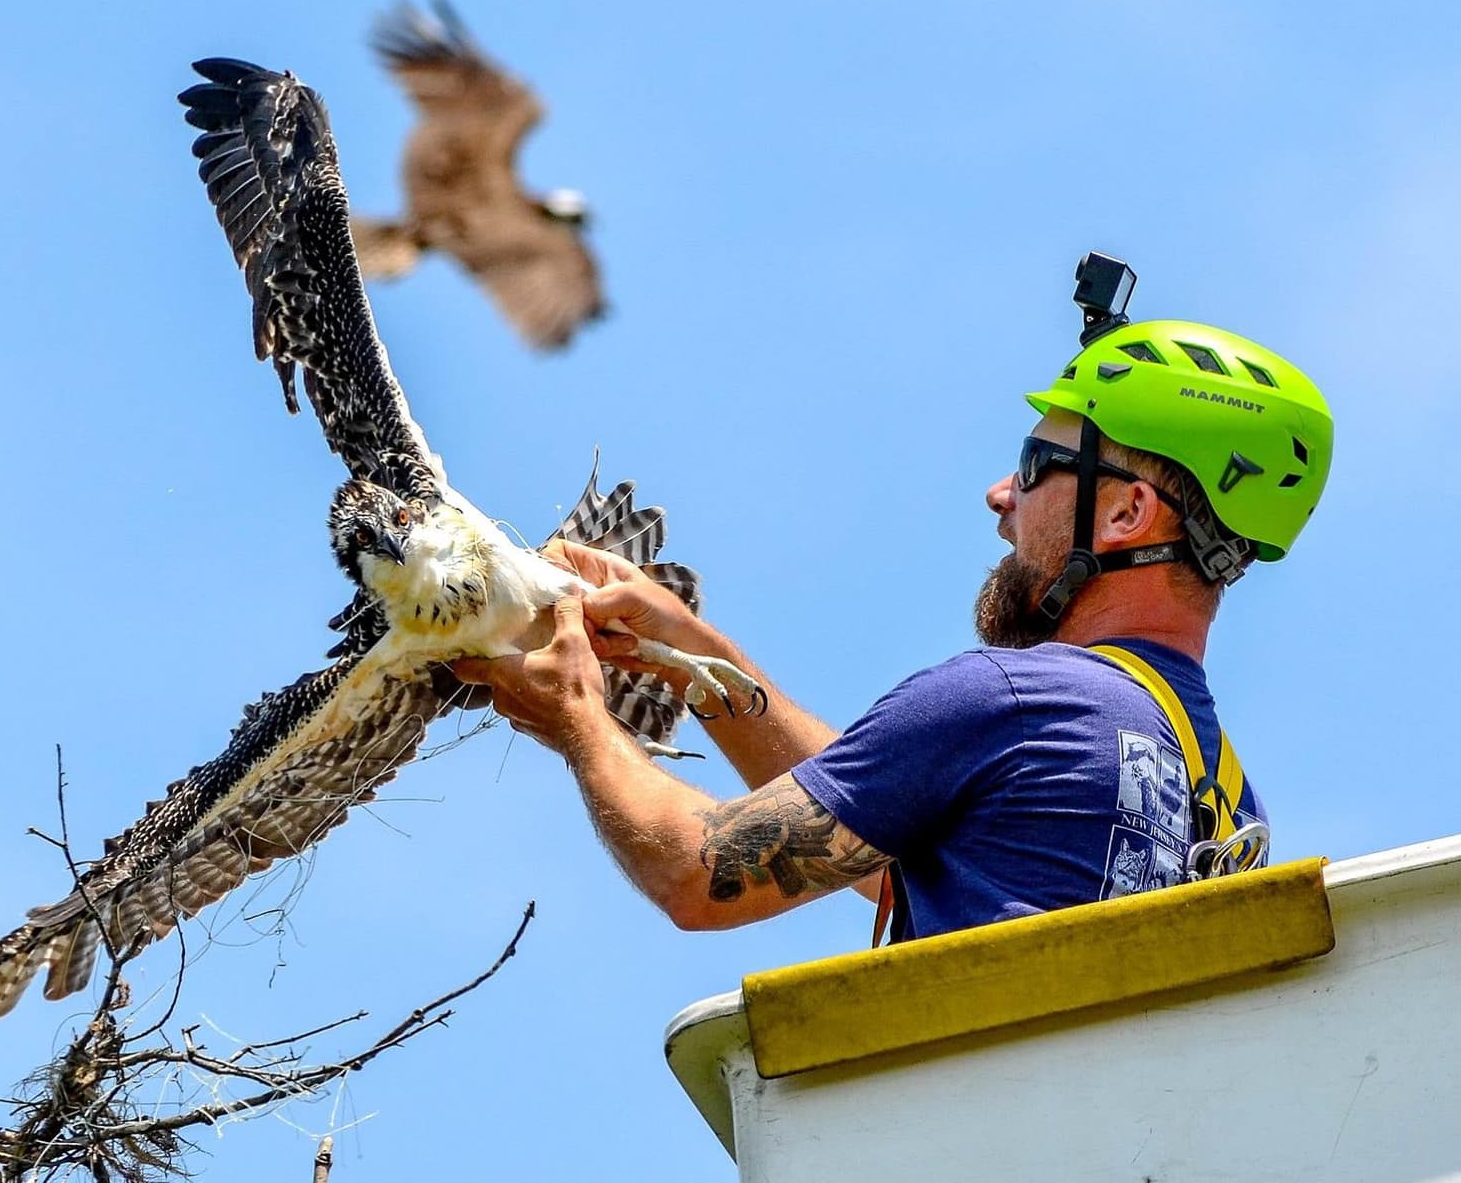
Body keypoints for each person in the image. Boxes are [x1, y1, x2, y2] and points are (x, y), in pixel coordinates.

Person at [453, 259, 1334, 941]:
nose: (1001, 494)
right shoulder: (1221, 796)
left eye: (1035, 466)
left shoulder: (1012, 702)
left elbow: (699, 872)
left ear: (1126, 511)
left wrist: (576, 713)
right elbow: (896, 847)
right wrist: (692, 656)